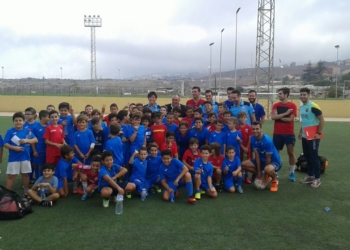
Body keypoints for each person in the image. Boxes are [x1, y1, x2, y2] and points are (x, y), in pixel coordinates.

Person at [242, 122, 282, 192]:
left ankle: (274, 180)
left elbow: (268, 158)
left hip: (274, 161)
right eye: (253, 129)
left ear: (261, 129)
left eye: (257, 129)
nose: (255, 131)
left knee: (267, 169)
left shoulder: (267, 141)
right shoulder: (252, 139)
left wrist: (263, 175)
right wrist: (259, 172)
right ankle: (264, 174)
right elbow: (257, 156)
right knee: (243, 164)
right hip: (262, 161)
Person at [4, 112, 38, 194]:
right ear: (13, 122)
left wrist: (26, 141)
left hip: (25, 157)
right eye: (16, 120)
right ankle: (7, 193)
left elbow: (35, 140)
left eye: (20, 120)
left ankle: (26, 190)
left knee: (25, 175)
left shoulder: (27, 131)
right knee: (11, 176)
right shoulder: (10, 131)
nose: (18, 122)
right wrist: (14, 148)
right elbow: (5, 143)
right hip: (14, 158)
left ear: (23, 121)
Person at [299, 87, 324, 188]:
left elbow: (322, 120)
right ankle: (310, 176)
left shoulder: (313, 106)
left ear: (309, 95)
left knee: (314, 157)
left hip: (313, 136)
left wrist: (318, 133)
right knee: (307, 156)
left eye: (304, 94)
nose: (302, 96)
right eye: (301, 95)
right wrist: (301, 132)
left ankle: (317, 179)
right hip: (305, 136)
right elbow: (305, 121)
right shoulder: (302, 107)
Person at [270, 87, 298, 181]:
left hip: (289, 133)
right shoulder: (276, 105)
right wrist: (285, 113)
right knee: (276, 153)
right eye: (278, 94)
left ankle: (292, 173)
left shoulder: (292, 106)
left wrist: (278, 117)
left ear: (286, 94)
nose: (279, 95)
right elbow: (273, 117)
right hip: (277, 133)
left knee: (291, 152)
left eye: (280, 94)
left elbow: (290, 119)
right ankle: (275, 170)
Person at [32, 110, 50, 180]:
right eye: (47, 117)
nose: (49, 119)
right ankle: (38, 182)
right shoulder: (36, 127)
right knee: (39, 167)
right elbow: (33, 141)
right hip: (40, 150)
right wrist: (34, 151)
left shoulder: (49, 126)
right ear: (42, 117)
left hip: (48, 150)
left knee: (47, 167)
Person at [237, 112, 252, 184]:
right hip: (240, 148)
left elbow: (250, 138)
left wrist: (247, 147)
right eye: (241, 117)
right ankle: (240, 176)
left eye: (244, 117)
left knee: (247, 163)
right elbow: (237, 139)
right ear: (239, 119)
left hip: (247, 148)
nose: (242, 119)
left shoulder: (249, 127)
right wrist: (242, 147)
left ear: (246, 118)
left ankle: (246, 176)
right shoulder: (237, 127)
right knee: (240, 162)